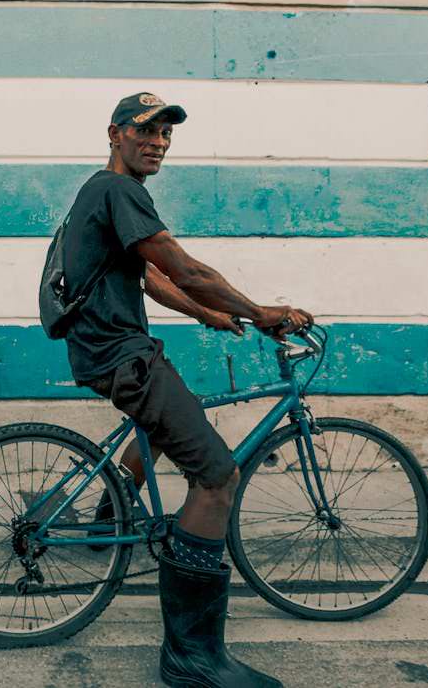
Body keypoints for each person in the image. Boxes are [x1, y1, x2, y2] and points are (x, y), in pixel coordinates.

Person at [61, 92, 313, 688]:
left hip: (112, 351)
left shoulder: (98, 193)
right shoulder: (119, 191)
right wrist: (261, 310)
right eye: (146, 130)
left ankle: (111, 504)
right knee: (218, 477)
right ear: (115, 133)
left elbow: (147, 276)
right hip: (122, 355)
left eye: (166, 134)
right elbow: (181, 266)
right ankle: (191, 655)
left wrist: (207, 315)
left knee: (172, 420)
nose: (158, 142)